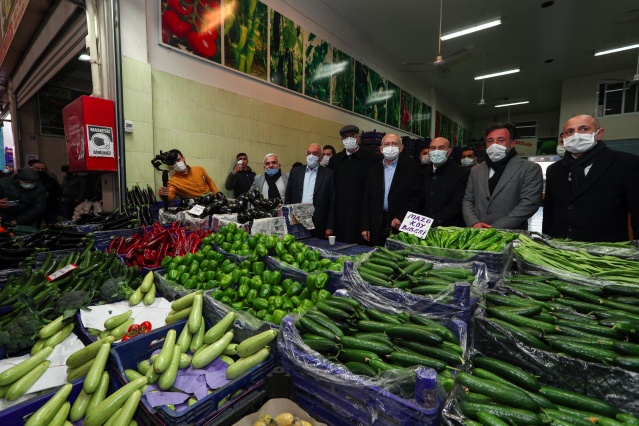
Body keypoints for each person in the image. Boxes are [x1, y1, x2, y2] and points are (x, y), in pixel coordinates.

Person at [543, 114, 639, 242]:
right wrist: (546, 242)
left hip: (605, 251)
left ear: (599, 134)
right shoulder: (554, 170)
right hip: (560, 248)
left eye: (584, 129)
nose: (576, 135)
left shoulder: (626, 163)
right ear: (564, 137)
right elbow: (550, 212)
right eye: (569, 131)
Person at [462, 122, 543, 230]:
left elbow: (529, 204)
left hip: (511, 234)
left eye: (501, 140)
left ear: (512, 143)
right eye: (490, 141)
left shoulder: (529, 168)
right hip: (478, 233)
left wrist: (495, 228)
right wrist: (474, 223)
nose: (494, 144)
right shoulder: (476, 170)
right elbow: (468, 200)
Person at [361, 134, 424, 246]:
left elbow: (417, 197)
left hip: (400, 222)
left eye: (394, 144)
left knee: (397, 258)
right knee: (377, 257)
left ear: (401, 148)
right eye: (387, 144)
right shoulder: (373, 170)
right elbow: (366, 200)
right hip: (377, 222)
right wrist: (365, 226)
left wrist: (402, 217)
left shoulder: (412, 168)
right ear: (381, 149)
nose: (390, 147)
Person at [327, 124, 378, 244]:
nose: (349, 140)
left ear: (358, 138)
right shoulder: (335, 161)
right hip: (340, 219)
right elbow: (331, 193)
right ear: (342, 140)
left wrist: (367, 224)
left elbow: (373, 192)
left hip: (361, 219)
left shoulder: (371, 159)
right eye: (345, 137)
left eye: (352, 136)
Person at [285, 143, 336, 239]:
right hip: (297, 220)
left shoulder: (328, 174)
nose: (311, 156)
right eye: (309, 153)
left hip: (318, 222)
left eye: (315, 153)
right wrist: (287, 220)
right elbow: (288, 196)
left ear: (321, 157)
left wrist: (329, 227)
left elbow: (332, 202)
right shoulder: (296, 172)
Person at [421, 137, 470, 227]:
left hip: (449, 228)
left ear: (449, 151)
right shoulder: (422, 173)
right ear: (429, 151)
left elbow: (458, 203)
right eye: (433, 148)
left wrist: (434, 221)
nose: (436, 151)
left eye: (441, 148)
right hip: (423, 226)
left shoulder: (461, 173)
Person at [34, 161, 62, 226]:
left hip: (49, 208)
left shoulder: (51, 180)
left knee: (52, 226)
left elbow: (59, 193)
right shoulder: (31, 180)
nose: (40, 171)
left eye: (43, 169)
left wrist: (49, 194)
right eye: (38, 169)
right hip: (34, 209)